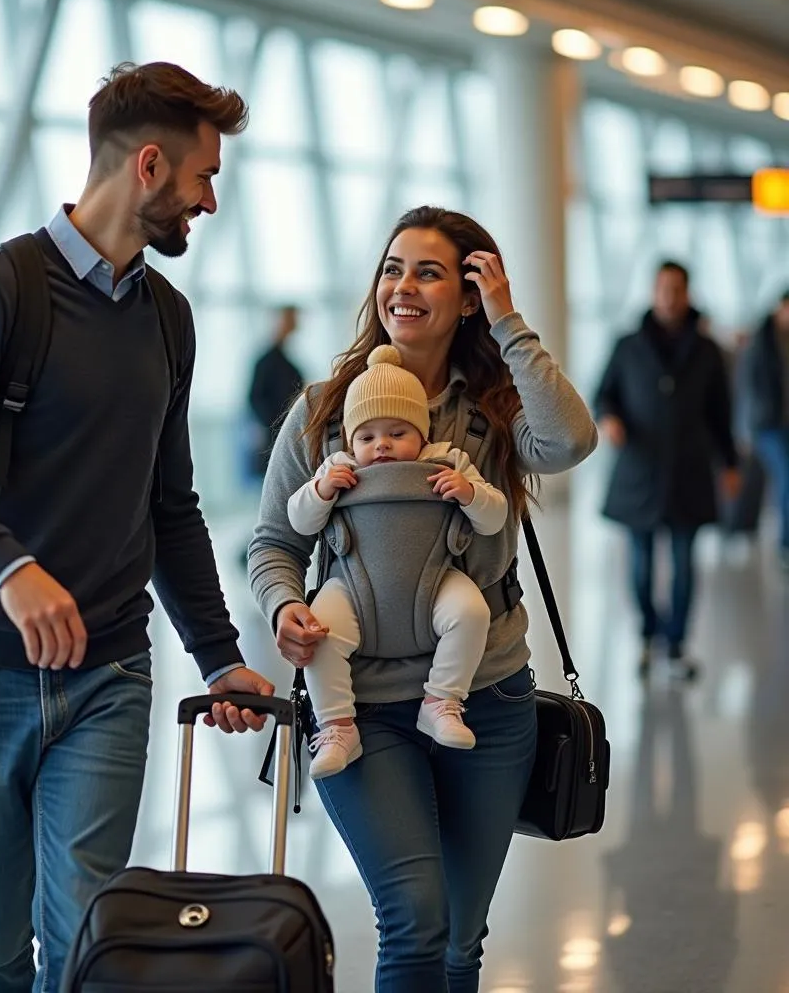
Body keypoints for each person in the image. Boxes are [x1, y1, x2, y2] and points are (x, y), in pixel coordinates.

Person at [0, 62, 275, 992]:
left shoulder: (168, 321)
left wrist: (218, 655)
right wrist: (11, 569)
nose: (209, 201)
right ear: (148, 166)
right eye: (203, 177)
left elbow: (169, 501)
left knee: (86, 935)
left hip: (108, 672)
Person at [248, 206, 597, 992]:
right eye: (392, 268)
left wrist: (509, 323)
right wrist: (282, 608)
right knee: (414, 917)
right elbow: (274, 543)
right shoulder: (319, 413)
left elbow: (572, 439)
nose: (402, 286)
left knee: (460, 940)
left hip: (487, 697)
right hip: (361, 708)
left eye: (429, 272)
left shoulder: (497, 414)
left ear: (468, 297)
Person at [287, 344, 507, 777]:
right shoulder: (339, 464)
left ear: (423, 433)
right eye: (366, 437)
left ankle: (442, 699)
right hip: (351, 583)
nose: (381, 446)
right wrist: (321, 490)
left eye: (396, 432)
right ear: (351, 440)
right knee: (320, 632)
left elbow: (495, 516)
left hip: (435, 578)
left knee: (471, 612)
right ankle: (336, 725)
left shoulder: (447, 460)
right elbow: (298, 520)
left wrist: (468, 492)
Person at [595, 261, 740, 680]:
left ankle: (675, 645)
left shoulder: (707, 349)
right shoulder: (628, 345)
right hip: (639, 471)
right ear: (653, 292)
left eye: (677, 289)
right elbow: (604, 393)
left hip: (689, 471)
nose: (669, 297)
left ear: (687, 293)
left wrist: (729, 463)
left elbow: (721, 412)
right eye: (663, 289)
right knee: (640, 563)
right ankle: (647, 634)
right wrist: (610, 418)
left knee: (683, 563)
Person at [740, 289, 789, 570]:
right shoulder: (761, 341)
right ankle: (785, 545)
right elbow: (745, 386)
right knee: (786, 477)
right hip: (767, 425)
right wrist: (743, 430)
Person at [247, 304, 304, 478]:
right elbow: (254, 398)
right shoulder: (267, 361)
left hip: (286, 431)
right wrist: (272, 426)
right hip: (273, 434)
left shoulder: (288, 363)